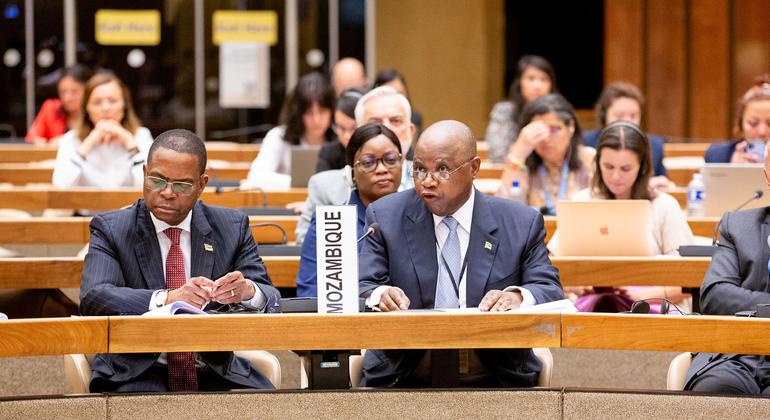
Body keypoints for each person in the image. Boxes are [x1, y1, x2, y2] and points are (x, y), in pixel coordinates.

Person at [358, 120, 563, 388]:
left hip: (497, 374)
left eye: (442, 169)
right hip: (405, 372)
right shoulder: (385, 216)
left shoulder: (520, 223)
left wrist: (517, 296)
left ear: (473, 168)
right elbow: (360, 284)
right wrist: (379, 295)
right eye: (419, 169)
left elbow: (549, 288)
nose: (427, 182)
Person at [80, 129, 280, 393]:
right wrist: (168, 298)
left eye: (182, 185)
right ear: (144, 174)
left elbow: (270, 295)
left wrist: (247, 292)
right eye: (157, 180)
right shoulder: (112, 228)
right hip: (136, 370)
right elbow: (95, 297)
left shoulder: (231, 226)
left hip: (212, 367)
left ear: (201, 184)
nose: (168, 192)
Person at [548, 121, 694, 312]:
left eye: (625, 169)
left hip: (651, 305)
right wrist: (577, 286)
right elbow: (552, 265)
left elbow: (689, 280)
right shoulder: (582, 201)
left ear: (642, 167)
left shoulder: (664, 205)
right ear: (597, 163)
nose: (616, 177)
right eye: (608, 166)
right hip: (591, 306)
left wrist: (642, 296)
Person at [684, 140, 770, 395]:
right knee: (714, 391)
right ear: (767, 175)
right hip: (735, 356)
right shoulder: (739, 225)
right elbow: (715, 294)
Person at [294, 86, 417, 245]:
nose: (386, 128)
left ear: (411, 131)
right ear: (358, 132)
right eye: (375, 122)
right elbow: (308, 247)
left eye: (395, 120)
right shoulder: (325, 188)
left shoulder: (428, 182)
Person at [296, 124, 402, 296]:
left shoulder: (419, 215)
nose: (382, 169)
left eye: (390, 160)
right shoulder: (332, 223)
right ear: (351, 172)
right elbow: (310, 293)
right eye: (369, 162)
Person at [496, 94, 595, 215]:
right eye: (538, 131)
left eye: (554, 129)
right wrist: (518, 154)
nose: (546, 138)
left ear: (571, 127)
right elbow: (505, 214)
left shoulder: (589, 159)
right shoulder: (521, 163)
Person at [52, 73, 153, 188]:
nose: (105, 108)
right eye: (97, 102)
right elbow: (60, 185)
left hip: (129, 206)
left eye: (112, 101)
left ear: (124, 105)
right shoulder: (70, 139)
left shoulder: (141, 136)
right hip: (87, 206)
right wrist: (88, 144)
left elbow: (149, 187)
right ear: (87, 108)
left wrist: (129, 142)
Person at [244, 72, 335, 189]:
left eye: (322, 111)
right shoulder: (278, 136)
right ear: (298, 113)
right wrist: (302, 184)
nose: (316, 120)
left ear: (332, 111)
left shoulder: (341, 137)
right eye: (309, 113)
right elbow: (255, 177)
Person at [582, 82, 670, 188]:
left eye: (633, 116)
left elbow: (663, 184)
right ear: (604, 115)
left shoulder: (654, 145)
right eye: (619, 116)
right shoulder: (585, 142)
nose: (628, 121)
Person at [484, 55, 556, 163]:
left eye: (544, 79)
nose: (537, 85)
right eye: (531, 78)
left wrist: (516, 150)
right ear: (519, 82)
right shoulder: (504, 111)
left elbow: (561, 155)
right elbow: (497, 154)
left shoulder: (558, 112)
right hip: (512, 173)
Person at [704, 75, 770, 163]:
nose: (762, 132)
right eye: (753, 123)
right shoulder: (719, 155)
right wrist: (732, 168)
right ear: (741, 125)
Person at [27, 64, 93, 144]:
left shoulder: (95, 110)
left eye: (74, 91)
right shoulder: (51, 108)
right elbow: (32, 136)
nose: (67, 98)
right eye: (63, 92)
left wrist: (65, 140)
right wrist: (38, 141)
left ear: (87, 91)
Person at [315, 87, 367, 173]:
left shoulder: (376, 152)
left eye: (353, 128)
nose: (347, 136)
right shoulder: (328, 153)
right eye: (341, 128)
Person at [373, 68, 423, 132]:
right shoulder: (370, 117)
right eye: (390, 93)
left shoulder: (414, 118)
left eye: (400, 93)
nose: (396, 98)